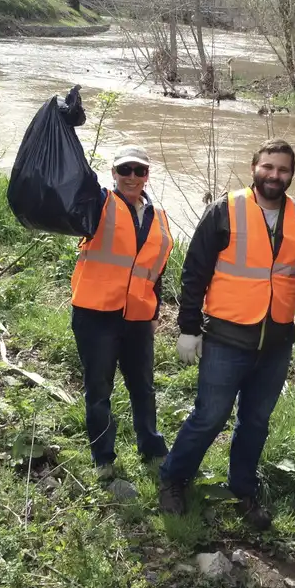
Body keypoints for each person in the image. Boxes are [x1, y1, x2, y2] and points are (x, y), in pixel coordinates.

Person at [157, 139, 295, 529]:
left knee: (256, 422)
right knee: (210, 416)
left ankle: (242, 490)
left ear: (292, 174)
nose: (274, 175)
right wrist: (188, 328)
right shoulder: (226, 210)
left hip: (276, 343)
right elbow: (195, 271)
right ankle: (172, 479)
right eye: (268, 167)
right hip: (226, 338)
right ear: (254, 167)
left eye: (283, 169)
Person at [70, 142, 174, 481]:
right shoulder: (97, 204)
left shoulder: (159, 216)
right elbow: (72, 178)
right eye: (125, 170)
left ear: (147, 175)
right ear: (113, 173)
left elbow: (155, 269)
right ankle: (104, 459)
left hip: (139, 317)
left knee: (143, 386)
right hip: (96, 314)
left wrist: (155, 310)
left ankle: (153, 448)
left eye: (139, 170)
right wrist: (64, 124)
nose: (132, 177)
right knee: (99, 390)